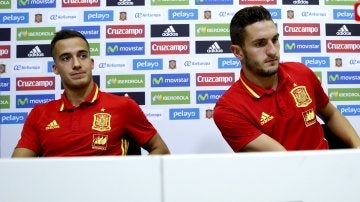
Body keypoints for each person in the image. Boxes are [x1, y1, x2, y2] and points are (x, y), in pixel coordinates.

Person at [213, 6, 360, 152]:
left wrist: (357, 151)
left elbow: (331, 114)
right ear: (237, 52)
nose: (272, 51)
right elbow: (285, 160)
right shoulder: (228, 110)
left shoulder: (301, 72)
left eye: (275, 40)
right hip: (288, 173)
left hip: (330, 165)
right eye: (260, 43)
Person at [12, 30, 170, 157]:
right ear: (55, 69)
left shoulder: (124, 106)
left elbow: (161, 150)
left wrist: (131, 178)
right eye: (66, 58)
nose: (76, 64)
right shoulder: (39, 114)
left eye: (82, 56)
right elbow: (16, 169)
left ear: (91, 62)